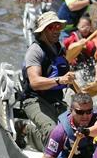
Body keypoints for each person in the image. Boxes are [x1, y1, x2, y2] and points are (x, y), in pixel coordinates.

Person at [20, 11, 76, 150]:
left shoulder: (59, 48)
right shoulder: (35, 50)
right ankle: (25, 130)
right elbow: (35, 82)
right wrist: (60, 80)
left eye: (58, 26)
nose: (56, 30)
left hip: (56, 100)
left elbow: (65, 76)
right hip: (35, 100)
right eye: (51, 27)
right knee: (54, 135)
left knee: (74, 133)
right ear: (42, 31)